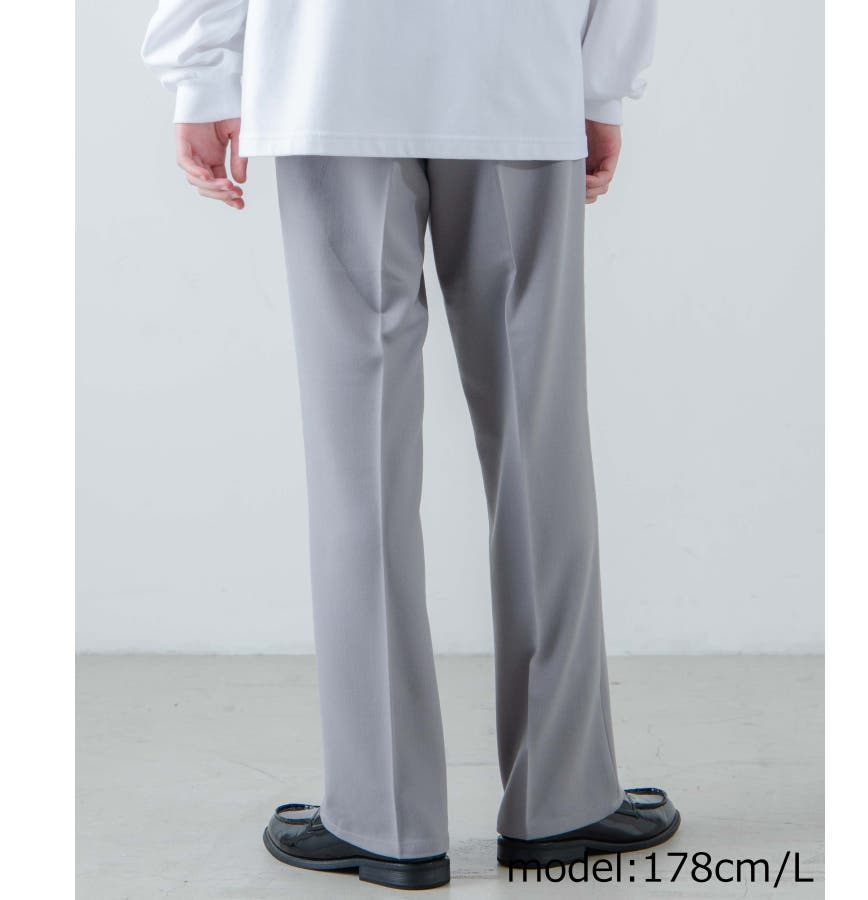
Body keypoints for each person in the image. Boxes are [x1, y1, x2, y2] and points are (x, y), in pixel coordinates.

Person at [142, 0, 679, 890]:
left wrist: (200, 73)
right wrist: (600, 84)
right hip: (516, 66)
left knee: (357, 453)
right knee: (538, 436)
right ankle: (563, 800)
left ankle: (383, 815)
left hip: (331, 70)